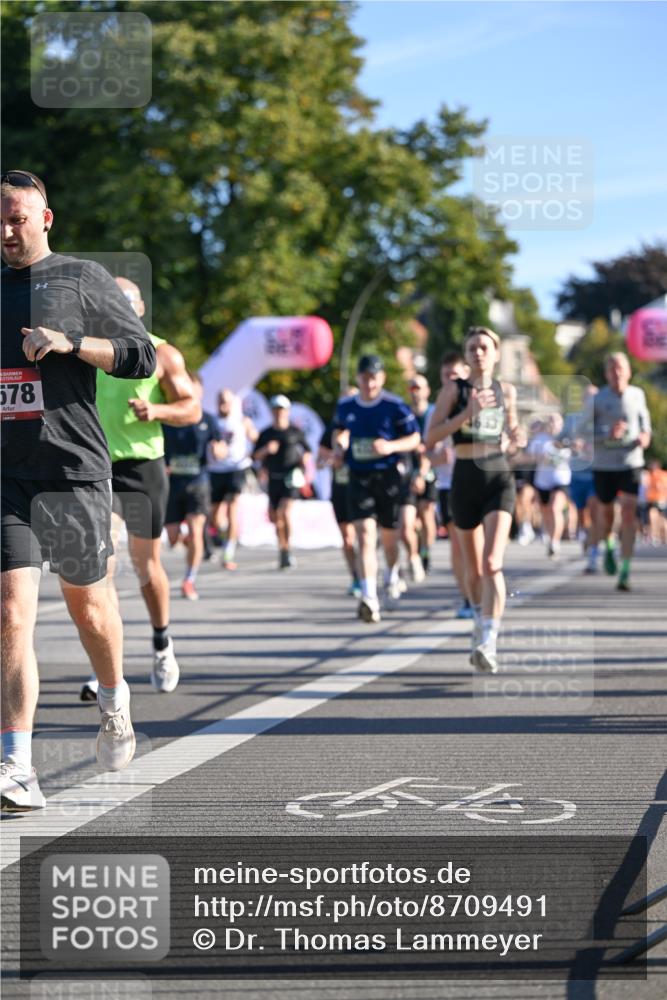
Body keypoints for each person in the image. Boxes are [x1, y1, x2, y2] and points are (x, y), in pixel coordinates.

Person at [1, 169, 156, 810]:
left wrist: (71, 344)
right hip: (6, 474)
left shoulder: (80, 278)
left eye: (18, 218)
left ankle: (115, 699)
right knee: (10, 612)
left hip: (70, 469)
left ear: (46, 218)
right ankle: (16, 764)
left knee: (88, 608)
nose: (7, 230)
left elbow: (139, 354)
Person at [79, 277, 200, 702]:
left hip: (143, 466)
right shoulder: (90, 351)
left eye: (126, 303)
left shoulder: (162, 353)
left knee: (146, 568)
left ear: (141, 309)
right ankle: (105, 667)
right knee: (102, 566)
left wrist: (158, 409)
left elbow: (192, 407)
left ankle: (162, 642)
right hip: (98, 467)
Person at [426, 327, 522, 673]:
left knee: (493, 562)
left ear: (495, 353)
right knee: (475, 569)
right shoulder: (454, 389)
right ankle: (479, 620)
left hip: (498, 477)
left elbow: (512, 438)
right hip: (465, 477)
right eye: (472, 348)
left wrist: (518, 438)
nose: (478, 353)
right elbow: (431, 437)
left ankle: (489, 640)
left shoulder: (505, 392)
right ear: (465, 356)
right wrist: (466, 413)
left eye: (484, 347)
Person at [332, 355, 420, 623]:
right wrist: (339, 447)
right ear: (358, 378)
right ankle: (369, 597)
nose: (369, 382)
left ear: (381, 379)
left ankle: (392, 573)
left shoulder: (395, 406)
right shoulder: (347, 405)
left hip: (388, 477)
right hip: (359, 477)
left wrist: (391, 446)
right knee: (365, 535)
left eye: (374, 377)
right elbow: (337, 431)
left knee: (390, 538)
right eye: (364, 377)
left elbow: (415, 438)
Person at [583, 353, 652, 590]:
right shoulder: (597, 399)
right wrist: (606, 434)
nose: (617, 373)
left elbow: (645, 425)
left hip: (631, 461)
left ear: (629, 371)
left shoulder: (637, 395)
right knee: (607, 514)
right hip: (604, 465)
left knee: (630, 513)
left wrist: (644, 436)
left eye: (621, 368)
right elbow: (584, 433)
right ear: (606, 374)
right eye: (612, 369)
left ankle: (625, 570)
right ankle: (610, 544)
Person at [163, 374, 224, 600]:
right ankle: (189, 544)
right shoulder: (168, 417)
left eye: (194, 389)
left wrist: (219, 451)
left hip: (199, 482)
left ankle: (189, 579)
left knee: (196, 529)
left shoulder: (208, 419)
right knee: (172, 538)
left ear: (200, 392)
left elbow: (220, 445)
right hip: (172, 483)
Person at [428, 351, 473, 618]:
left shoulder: (479, 403)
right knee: (457, 544)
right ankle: (467, 597)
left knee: (476, 546)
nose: (450, 380)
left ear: (465, 375)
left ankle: (480, 592)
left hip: (477, 481)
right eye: (446, 376)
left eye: (455, 375)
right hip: (449, 485)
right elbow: (426, 449)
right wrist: (436, 457)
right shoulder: (435, 410)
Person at [252, 395, 310, 569]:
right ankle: (282, 548)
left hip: (291, 477)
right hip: (273, 478)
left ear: (287, 411)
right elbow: (254, 456)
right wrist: (265, 450)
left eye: (282, 410)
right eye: (276, 410)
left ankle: (288, 548)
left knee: (285, 513)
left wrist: (305, 461)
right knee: (275, 517)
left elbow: (307, 451)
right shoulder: (266, 433)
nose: (279, 413)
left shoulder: (295, 431)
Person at [208, 388, 257, 570]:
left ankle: (228, 552)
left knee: (233, 509)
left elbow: (256, 438)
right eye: (220, 400)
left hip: (237, 468)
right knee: (214, 516)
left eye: (227, 400)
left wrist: (254, 449)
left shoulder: (241, 421)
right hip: (216, 470)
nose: (223, 403)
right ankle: (223, 534)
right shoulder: (212, 421)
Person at [318, 402, 361, 597]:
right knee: (347, 538)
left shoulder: (364, 424)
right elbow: (319, 459)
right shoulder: (331, 430)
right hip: (340, 488)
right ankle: (356, 577)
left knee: (365, 536)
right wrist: (331, 458)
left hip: (361, 487)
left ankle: (369, 574)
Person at [399, 374, 437, 583]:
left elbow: (436, 444)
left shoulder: (433, 413)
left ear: (427, 391)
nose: (415, 391)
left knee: (426, 513)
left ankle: (425, 552)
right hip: (407, 471)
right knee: (408, 524)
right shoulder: (404, 414)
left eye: (419, 387)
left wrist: (423, 470)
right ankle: (414, 553)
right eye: (412, 388)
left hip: (429, 468)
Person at [527, 412, 572, 560]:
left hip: (561, 480)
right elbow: (530, 456)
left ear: (561, 424)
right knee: (546, 512)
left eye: (556, 422)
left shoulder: (567, 438)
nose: (553, 425)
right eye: (550, 421)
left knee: (555, 508)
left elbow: (577, 454)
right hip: (542, 481)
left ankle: (555, 541)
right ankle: (550, 535)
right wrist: (541, 457)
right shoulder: (541, 439)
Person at [644, 458, 667, 546]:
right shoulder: (663, 474)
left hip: (658, 499)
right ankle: (660, 536)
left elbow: (660, 486)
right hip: (656, 499)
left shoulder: (656, 475)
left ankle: (656, 536)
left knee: (654, 517)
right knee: (661, 518)